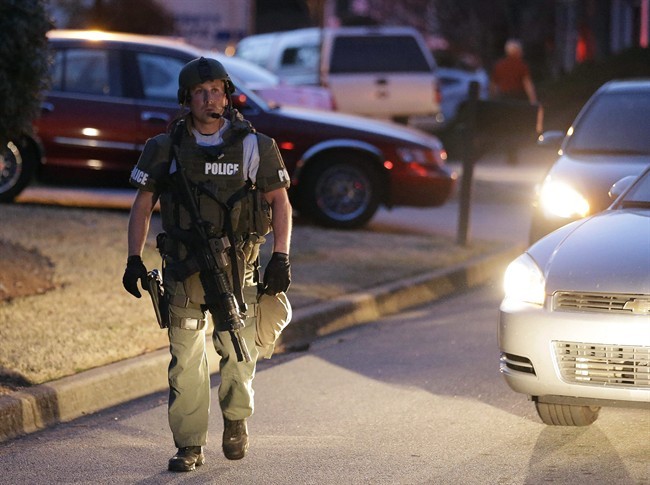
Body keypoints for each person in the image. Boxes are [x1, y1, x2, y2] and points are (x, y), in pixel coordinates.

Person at [122, 57, 292, 471]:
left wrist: (282, 256)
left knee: (238, 350)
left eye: (215, 89)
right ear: (187, 99)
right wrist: (132, 259)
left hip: (238, 270)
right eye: (200, 92)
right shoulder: (165, 147)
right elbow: (143, 205)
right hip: (184, 270)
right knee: (186, 361)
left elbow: (281, 203)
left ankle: (236, 420)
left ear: (227, 93)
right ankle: (189, 444)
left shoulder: (255, 146)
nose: (209, 98)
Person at [489, 39, 539, 165]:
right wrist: (533, 100)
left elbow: (493, 85)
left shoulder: (499, 65)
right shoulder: (521, 65)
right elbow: (527, 83)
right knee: (515, 126)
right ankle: (513, 154)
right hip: (517, 99)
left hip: (504, 99)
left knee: (507, 126)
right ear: (517, 52)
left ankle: (509, 153)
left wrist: (493, 98)